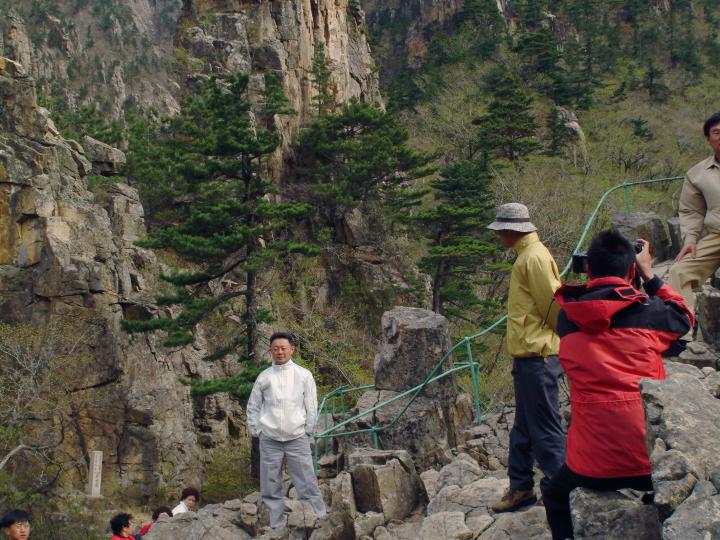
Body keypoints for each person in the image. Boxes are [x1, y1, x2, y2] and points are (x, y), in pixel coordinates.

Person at [542, 231, 693, 540]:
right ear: (630, 270)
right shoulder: (650, 314)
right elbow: (684, 318)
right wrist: (648, 275)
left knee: (554, 493)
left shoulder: (567, 320)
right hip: (648, 462)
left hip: (591, 466)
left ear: (588, 270)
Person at [486, 203, 566, 513]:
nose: (498, 236)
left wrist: (562, 338)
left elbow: (552, 304)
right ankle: (521, 487)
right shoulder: (528, 255)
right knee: (523, 427)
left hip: (538, 356)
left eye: (500, 231)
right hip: (529, 356)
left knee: (545, 429)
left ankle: (562, 491)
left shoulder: (533, 258)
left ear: (510, 230)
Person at [246, 332, 326, 533]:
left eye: (283, 348)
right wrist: (257, 431)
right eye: (275, 348)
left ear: (292, 349)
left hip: (297, 437)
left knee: (306, 481)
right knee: (270, 484)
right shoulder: (264, 377)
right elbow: (253, 406)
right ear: (270, 351)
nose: (279, 352)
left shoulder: (304, 375)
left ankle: (318, 518)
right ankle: (277, 524)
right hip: (270, 438)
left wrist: (308, 430)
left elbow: (311, 405)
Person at [669, 111, 720, 335]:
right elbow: (691, 211)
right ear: (708, 139)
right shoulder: (697, 174)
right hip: (716, 236)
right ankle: (683, 334)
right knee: (679, 272)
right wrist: (690, 239)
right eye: (716, 132)